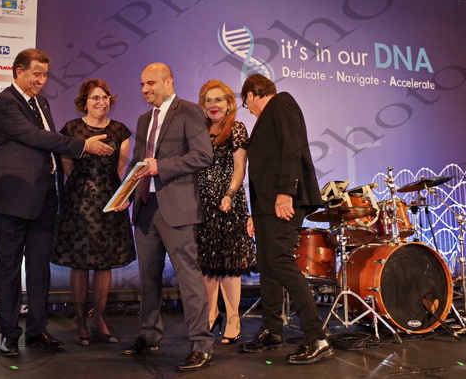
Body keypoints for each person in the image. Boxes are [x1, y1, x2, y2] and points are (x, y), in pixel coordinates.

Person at [0, 48, 114, 357]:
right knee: (8, 268)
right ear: (19, 72)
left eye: (45, 75)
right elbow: (35, 137)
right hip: (12, 197)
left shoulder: (41, 103)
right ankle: (9, 334)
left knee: (40, 268)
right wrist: (82, 146)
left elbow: (46, 145)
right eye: (36, 74)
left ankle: (37, 330)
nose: (41, 80)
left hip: (44, 196)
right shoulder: (4, 102)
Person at [118, 63, 215, 372]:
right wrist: (125, 194)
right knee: (148, 277)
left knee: (188, 277)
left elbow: (203, 155)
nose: (145, 89)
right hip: (145, 207)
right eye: (142, 84)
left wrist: (161, 166)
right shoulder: (144, 119)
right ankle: (149, 334)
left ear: (169, 81)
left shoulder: (189, 111)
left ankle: (201, 344)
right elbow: (138, 162)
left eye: (151, 83)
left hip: (177, 208)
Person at [238, 74, 332, 364]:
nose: (249, 110)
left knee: (279, 260)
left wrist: (285, 192)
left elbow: (292, 148)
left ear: (252, 94)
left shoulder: (281, 103)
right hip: (267, 205)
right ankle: (272, 331)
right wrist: (255, 212)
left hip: (283, 199)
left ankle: (316, 336)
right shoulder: (269, 115)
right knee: (267, 265)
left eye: (246, 105)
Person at [51, 79, 136, 346]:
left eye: (105, 97)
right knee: (79, 263)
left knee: (104, 263)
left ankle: (99, 319)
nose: (101, 102)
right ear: (84, 102)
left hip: (108, 203)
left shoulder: (120, 130)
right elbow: (66, 165)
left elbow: (119, 170)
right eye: (95, 98)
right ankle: (80, 321)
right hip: (77, 203)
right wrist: (83, 187)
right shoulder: (72, 128)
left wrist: (109, 193)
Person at [196, 80, 256, 345]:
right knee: (207, 262)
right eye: (208, 100)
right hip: (202, 204)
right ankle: (211, 313)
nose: (213, 105)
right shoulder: (198, 130)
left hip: (229, 202)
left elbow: (240, 168)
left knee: (229, 264)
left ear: (229, 103)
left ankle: (233, 317)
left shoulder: (237, 128)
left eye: (218, 100)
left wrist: (229, 194)